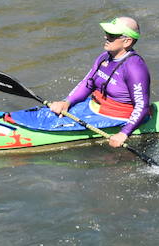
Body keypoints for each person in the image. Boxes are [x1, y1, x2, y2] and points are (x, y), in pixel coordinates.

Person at [47, 17, 151, 148]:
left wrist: (124, 133)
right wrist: (67, 102)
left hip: (119, 116)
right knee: (49, 113)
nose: (106, 37)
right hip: (97, 107)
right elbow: (87, 83)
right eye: (107, 33)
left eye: (112, 35)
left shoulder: (135, 68)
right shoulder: (104, 57)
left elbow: (142, 106)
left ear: (127, 41)